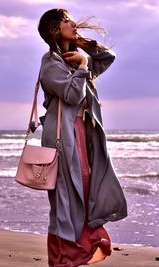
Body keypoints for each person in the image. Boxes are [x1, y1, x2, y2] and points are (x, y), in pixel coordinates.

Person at [37, 8, 127, 267]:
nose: (73, 23)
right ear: (55, 27)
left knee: (85, 192)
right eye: (66, 21)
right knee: (67, 198)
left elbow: (107, 56)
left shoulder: (71, 58)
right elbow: (73, 95)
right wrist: (84, 65)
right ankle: (64, 258)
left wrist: (81, 44)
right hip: (61, 139)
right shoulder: (50, 63)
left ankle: (74, 253)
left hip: (81, 136)